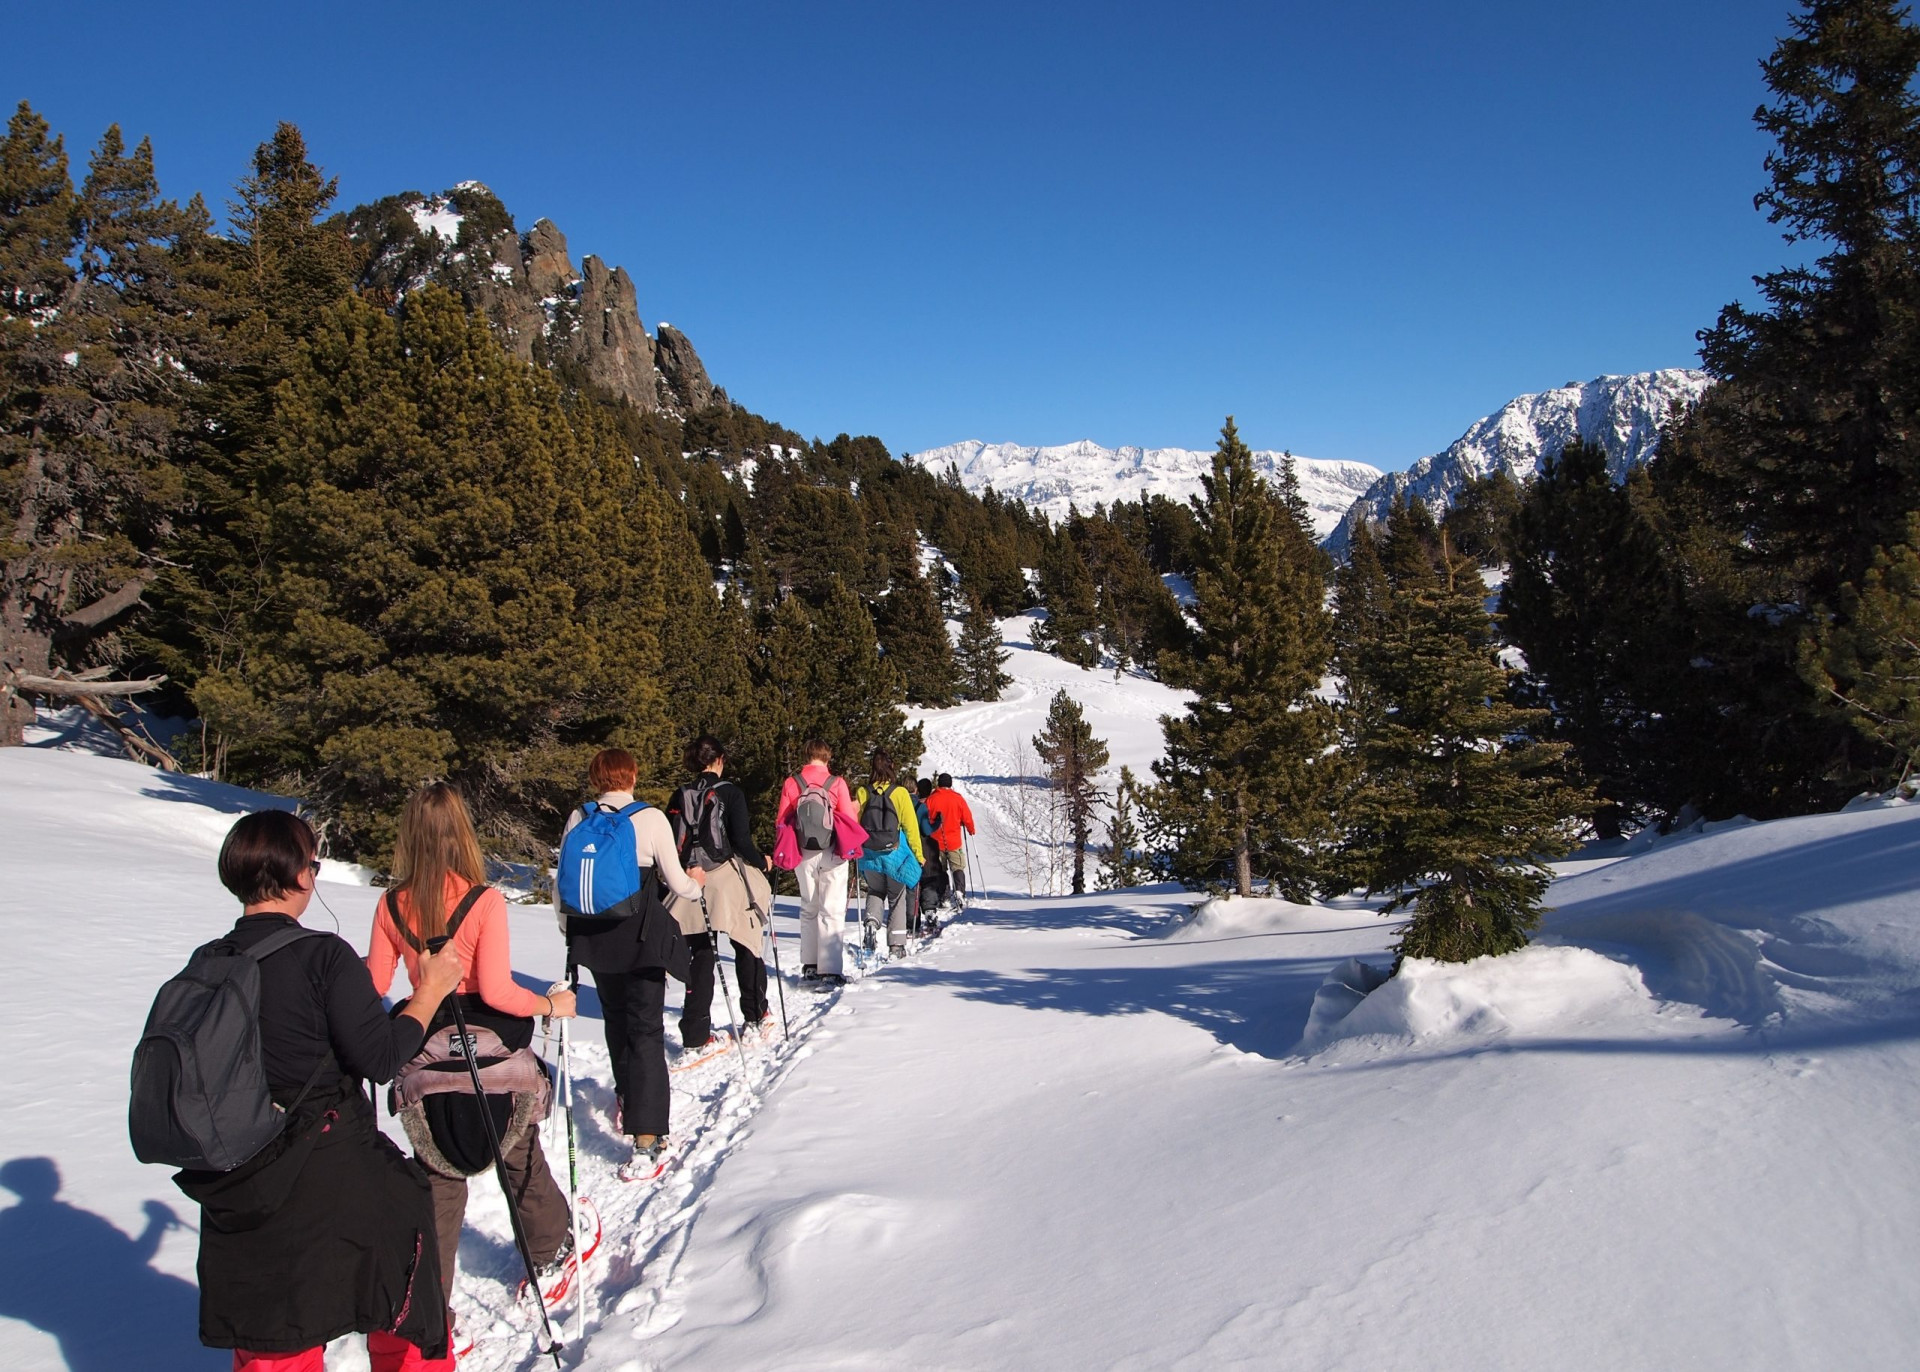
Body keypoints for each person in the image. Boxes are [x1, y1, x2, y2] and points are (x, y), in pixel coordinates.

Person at [181, 809, 462, 1372]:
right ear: (300, 876)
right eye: (313, 861)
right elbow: (380, 1056)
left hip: (240, 1175)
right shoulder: (323, 956)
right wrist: (429, 992)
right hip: (331, 1168)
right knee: (403, 1298)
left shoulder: (209, 961)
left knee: (275, 1338)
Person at [367, 782, 577, 1326]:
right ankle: (549, 1250)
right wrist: (551, 1005)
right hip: (490, 1056)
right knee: (518, 1154)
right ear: (462, 830)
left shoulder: (391, 904)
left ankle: (430, 1304)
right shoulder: (483, 901)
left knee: (436, 1176)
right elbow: (499, 992)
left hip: (426, 1052)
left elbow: (372, 987)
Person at [560, 747, 706, 1181]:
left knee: (615, 1019)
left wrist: (568, 932)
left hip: (593, 935)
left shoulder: (578, 817)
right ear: (632, 776)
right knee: (646, 1028)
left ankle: (625, 1095)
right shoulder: (649, 818)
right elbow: (677, 882)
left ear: (596, 778)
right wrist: (697, 885)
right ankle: (648, 1133)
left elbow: (561, 882)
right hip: (640, 937)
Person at [666, 735, 775, 1044]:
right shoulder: (731, 793)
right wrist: (762, 862)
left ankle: (696, 1033)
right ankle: (756, 1014)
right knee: (745, 942)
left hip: (691, 879)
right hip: (725, 876)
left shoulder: (680, 794)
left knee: (701, 953)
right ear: (719, 760)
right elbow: (741, 842)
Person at [774, 739, 860, 985]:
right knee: (831, 908)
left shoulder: (793, 783)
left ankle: (810, 965)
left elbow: (781, 820)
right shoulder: (837, 783)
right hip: (832, 851)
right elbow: (849, 818)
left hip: (803, 853)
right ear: (827, 757)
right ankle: (830, 969)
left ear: (806, 755)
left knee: (809, 906)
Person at [852, 750, 924, 956]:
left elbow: (856, 824)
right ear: (891, 767)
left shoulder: (863, 792)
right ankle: (896, 945)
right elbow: (911, 827)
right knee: (897, 897)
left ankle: (871, 924)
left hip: (869, 855)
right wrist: (918, 856)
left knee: (875, 891)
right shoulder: (900, 793)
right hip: (894, 854)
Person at [925, 772, 977, 908]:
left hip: (936, 842)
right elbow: (967, 816)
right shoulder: (958, 799)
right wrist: (971, 829)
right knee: (957, 867)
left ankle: (945, 896)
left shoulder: (931, 799)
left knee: (941, 870)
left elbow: (927, 818)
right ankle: (959, 891)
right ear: (950, 784)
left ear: (938, 784)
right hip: (954, 841)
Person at [913, 777, 948, 916]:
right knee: (929, 878)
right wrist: (938, 822)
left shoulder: (905, 803)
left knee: (913, 880)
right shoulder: (923, 806)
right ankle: (929, 908)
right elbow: (927, 829)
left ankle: (912, 917)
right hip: (926, 845)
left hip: (906, 846)